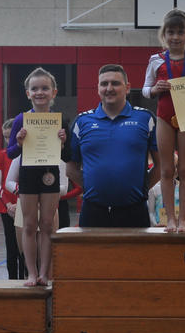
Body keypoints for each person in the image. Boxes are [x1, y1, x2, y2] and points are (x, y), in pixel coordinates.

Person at [67, 64, 160, 228]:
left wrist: (141, 189)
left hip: (135, 210)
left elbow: (162, 165)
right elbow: (71, 168)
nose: (109, 88)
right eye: (104, 84)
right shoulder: (82, 121)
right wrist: (93, 188)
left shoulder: (146, 118)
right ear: (98, 88)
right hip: (93, 210)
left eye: (115, 83)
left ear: (127, 87)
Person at [142, 9, 185, 232]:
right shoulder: (155, 60)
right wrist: (155, 89)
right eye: (170, 32)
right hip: (164, 118)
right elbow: (145, 89)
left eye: (180, 32)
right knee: (167, 170)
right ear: (164, 35)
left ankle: (183, 220)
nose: (175, 37)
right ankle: (170, 219)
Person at [5, 68, 68, 287]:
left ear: (54, 92)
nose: (39, 92)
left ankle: (44, 273)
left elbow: (68, 156)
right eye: (34, 89)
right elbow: (10, 153)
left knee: (48, 224)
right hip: (28, 176)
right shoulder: (21, 119)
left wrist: (63, 143)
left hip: (50, 175)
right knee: (30, 224)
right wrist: (19, 143)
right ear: (28, 93)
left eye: (44, 88)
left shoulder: (60, 121)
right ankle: (31, 273)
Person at [0, 119, 22, 279]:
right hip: (7, 209)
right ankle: (12, 281)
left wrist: (19, 204)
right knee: (11, 248)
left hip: (26, 206)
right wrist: (9, 204)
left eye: (10, 136)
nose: (7, 140)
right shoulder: (2, 154)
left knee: (25, 247)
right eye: (5, 137)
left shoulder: (28, 154)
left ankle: (26, 278)